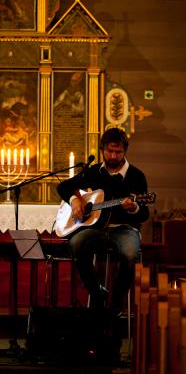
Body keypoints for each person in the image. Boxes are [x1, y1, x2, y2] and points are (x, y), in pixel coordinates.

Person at [57, 127, 149, 316]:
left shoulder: (136, 176)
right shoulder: (93, 172)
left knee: (130, 252)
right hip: (96, 230)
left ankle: (116, 305)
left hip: (124, 229)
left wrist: (135, 207)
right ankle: (97, 291)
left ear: (124, 151)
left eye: (118, 152)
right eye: (110, 151)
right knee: (75, 244)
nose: (114, 156)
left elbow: (145, 214)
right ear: (102, 150)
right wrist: (75, 201)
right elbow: (64, 187)